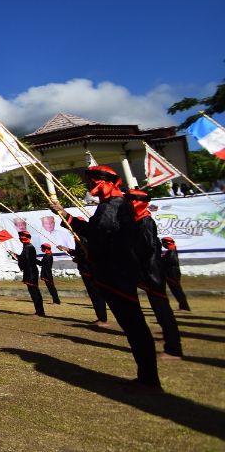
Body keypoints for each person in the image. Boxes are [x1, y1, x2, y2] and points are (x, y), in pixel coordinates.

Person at [50, 165, 160, 391]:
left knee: (134, 325)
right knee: (133, 325)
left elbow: (97, 232)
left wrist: (65, 215)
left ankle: (149, 378)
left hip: (116, 273)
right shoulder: (112, 205)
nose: (89, 187)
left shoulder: (113, 205)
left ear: (102, 183)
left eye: (92, 183)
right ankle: (147, 376)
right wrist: (66, 216)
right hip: (117, 272)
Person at [126, 190, 183, 360]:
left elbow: (148, 249)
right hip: (149, 271)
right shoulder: (138, 222)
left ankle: (174, 349)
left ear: (137, 203)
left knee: (162, 310)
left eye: (129, 201)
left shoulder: (145, 222)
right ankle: (170, 343)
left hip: (152, 273)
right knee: (159, 310)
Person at [57, 240, 108, 326]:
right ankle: (101, 318)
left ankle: (102, 319)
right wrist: (67, 250)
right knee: (95, 294)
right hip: (88, 269)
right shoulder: (82, 238)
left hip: (89, 270)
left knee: (95, 294)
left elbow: (86, 253)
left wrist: (79, 258)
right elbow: (81, 252)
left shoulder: (84, 238)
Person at [16, 231, 45, 316]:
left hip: (31, 272)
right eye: (20, 238)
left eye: (22, 237)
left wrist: (18, 258)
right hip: (29, 271)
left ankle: (40, 311)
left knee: (34, 292)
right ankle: (39, 311)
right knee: (33, 292)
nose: (21, 239)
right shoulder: (26, 247)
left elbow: (27, 259)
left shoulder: (29, 247)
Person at [161, 237, 190, 311]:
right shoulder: (170, 250)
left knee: (177, 290)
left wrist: (162, 260)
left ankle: (184, 307)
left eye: (163, 243)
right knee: (176, 290)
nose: (162, 245)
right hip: (171, 272)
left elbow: (171, 261)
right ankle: (182, 306)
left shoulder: (172, 250)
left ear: (166, 243)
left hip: (172, 273)